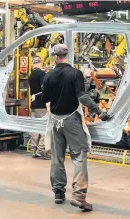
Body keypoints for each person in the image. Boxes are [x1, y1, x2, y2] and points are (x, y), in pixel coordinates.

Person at [42, 44, 111, 211]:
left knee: (57, 156)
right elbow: (82, 96)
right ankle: (79, 196)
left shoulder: (48, 76)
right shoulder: (75, 73)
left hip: (55, 120)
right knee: (79, 155)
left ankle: (58, 192)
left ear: (54, 56)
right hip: (71, 119)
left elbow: (46, 99)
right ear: (68, 55)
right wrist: (99, 112)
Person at [28, 56, 49, 159]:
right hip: (42, 104)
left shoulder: (31, 75)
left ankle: (34, 149)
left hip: (34, 104)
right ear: (40, 62)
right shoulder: (42, 74)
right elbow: (44, 88)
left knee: (35, 128)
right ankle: (42, 150)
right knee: (46, 127)